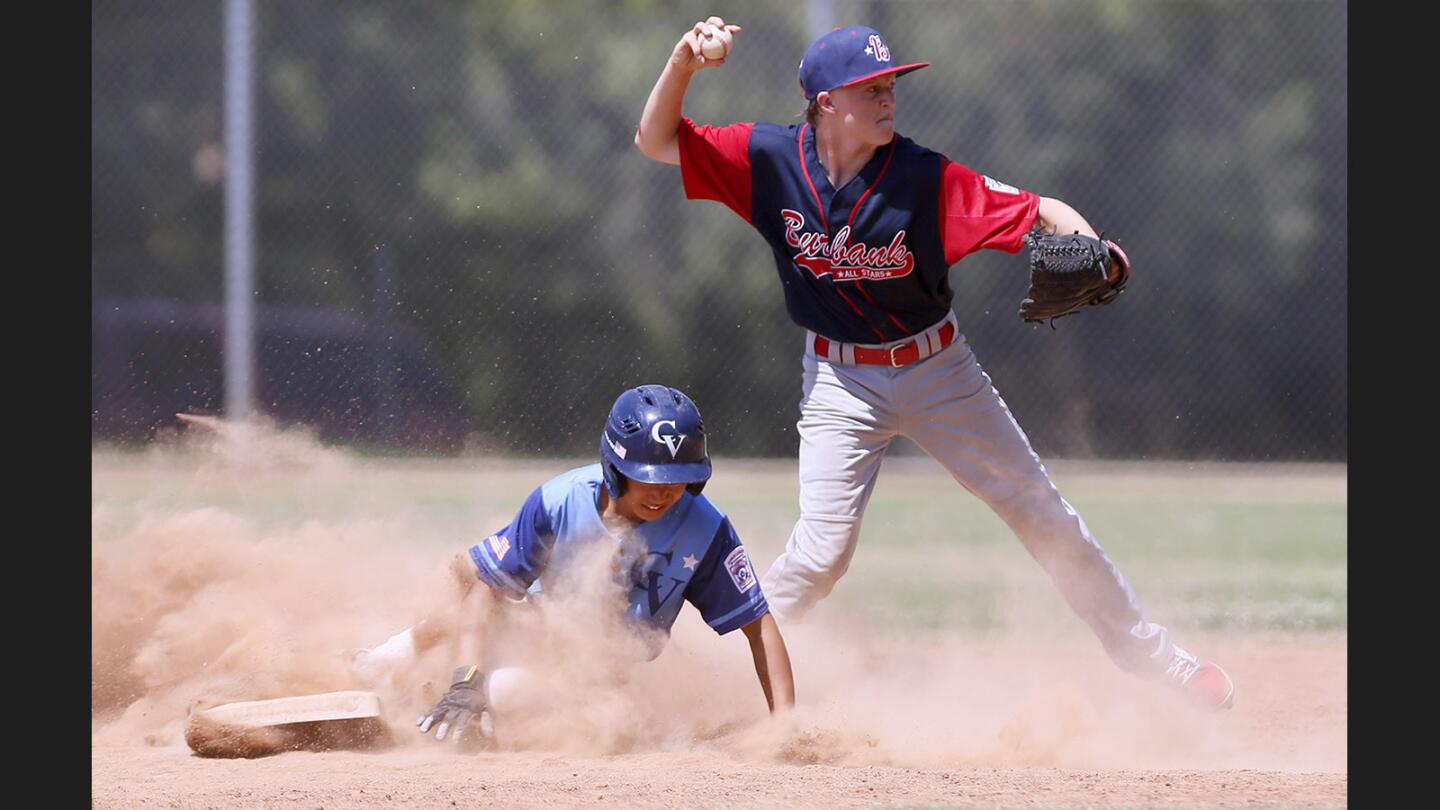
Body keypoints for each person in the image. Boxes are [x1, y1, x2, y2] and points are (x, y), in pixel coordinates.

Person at [634, 18, 1234, 710]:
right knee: (819, 555)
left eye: (891, 85)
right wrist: (681, 62)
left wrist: (1091, 245)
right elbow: (656, 140)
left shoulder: (926, 180)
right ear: (825, 102)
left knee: (1042, 514)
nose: (888, 98)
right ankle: (716, 683)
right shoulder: (766, 158)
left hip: (938, 371)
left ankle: (1161, 664)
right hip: (838, 381)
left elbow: (1041, 210)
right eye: (870, 89)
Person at [353, 384, 796, 744]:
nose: (664, 492)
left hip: (606, 666)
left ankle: (448, 698)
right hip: (535, 621)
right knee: (476, 577)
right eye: (649, 478)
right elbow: (487, 590)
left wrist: (785, 728)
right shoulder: (560, 501)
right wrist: (465, 682)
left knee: (507, 692)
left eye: (680, 481)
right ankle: (386, 661)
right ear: (614, 467)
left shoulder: (706, 529)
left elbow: (759, 626)